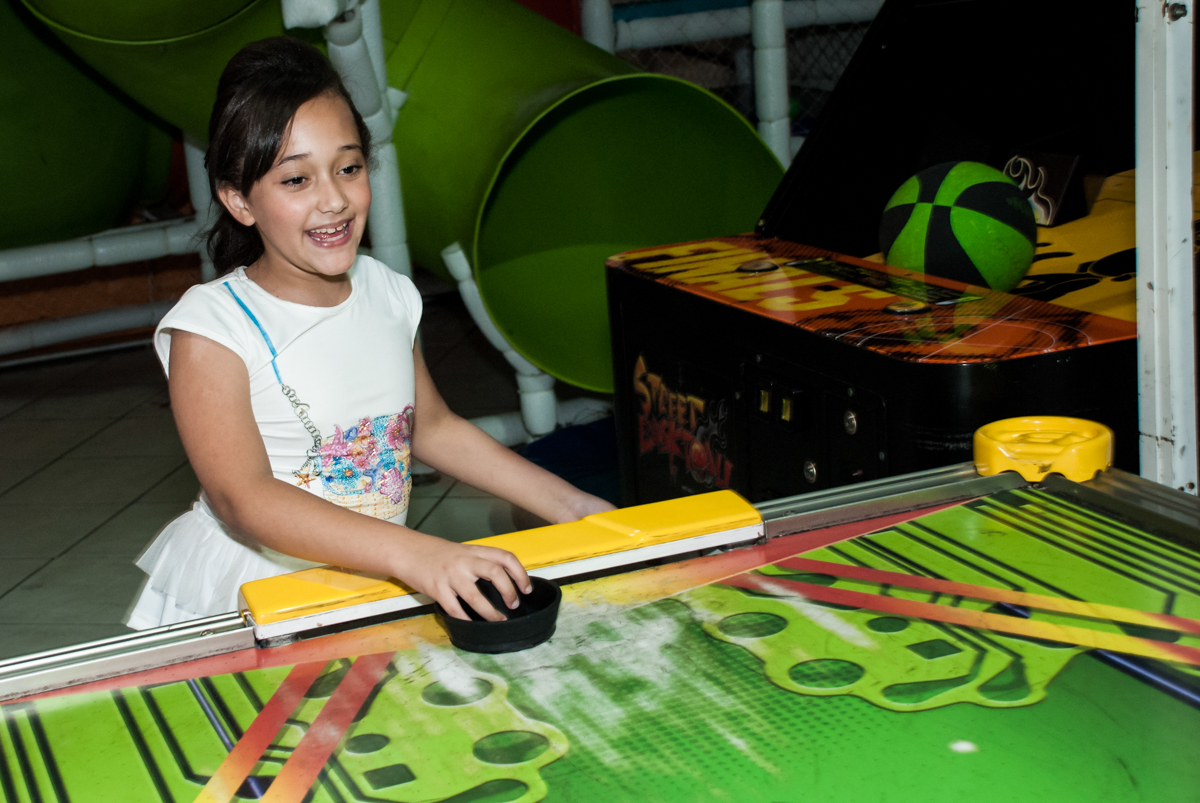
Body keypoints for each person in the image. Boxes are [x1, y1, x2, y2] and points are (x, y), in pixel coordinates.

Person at [126, 37, 613, 630]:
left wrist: (575, 507)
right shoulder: (212, 326)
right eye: (295, 180)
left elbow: (431, 427)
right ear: (239, 200)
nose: (333, 199)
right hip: (257, 588)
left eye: (348, 168)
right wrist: (420, 553)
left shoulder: (387, 291)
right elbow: (242, 497)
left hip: (376, 570)